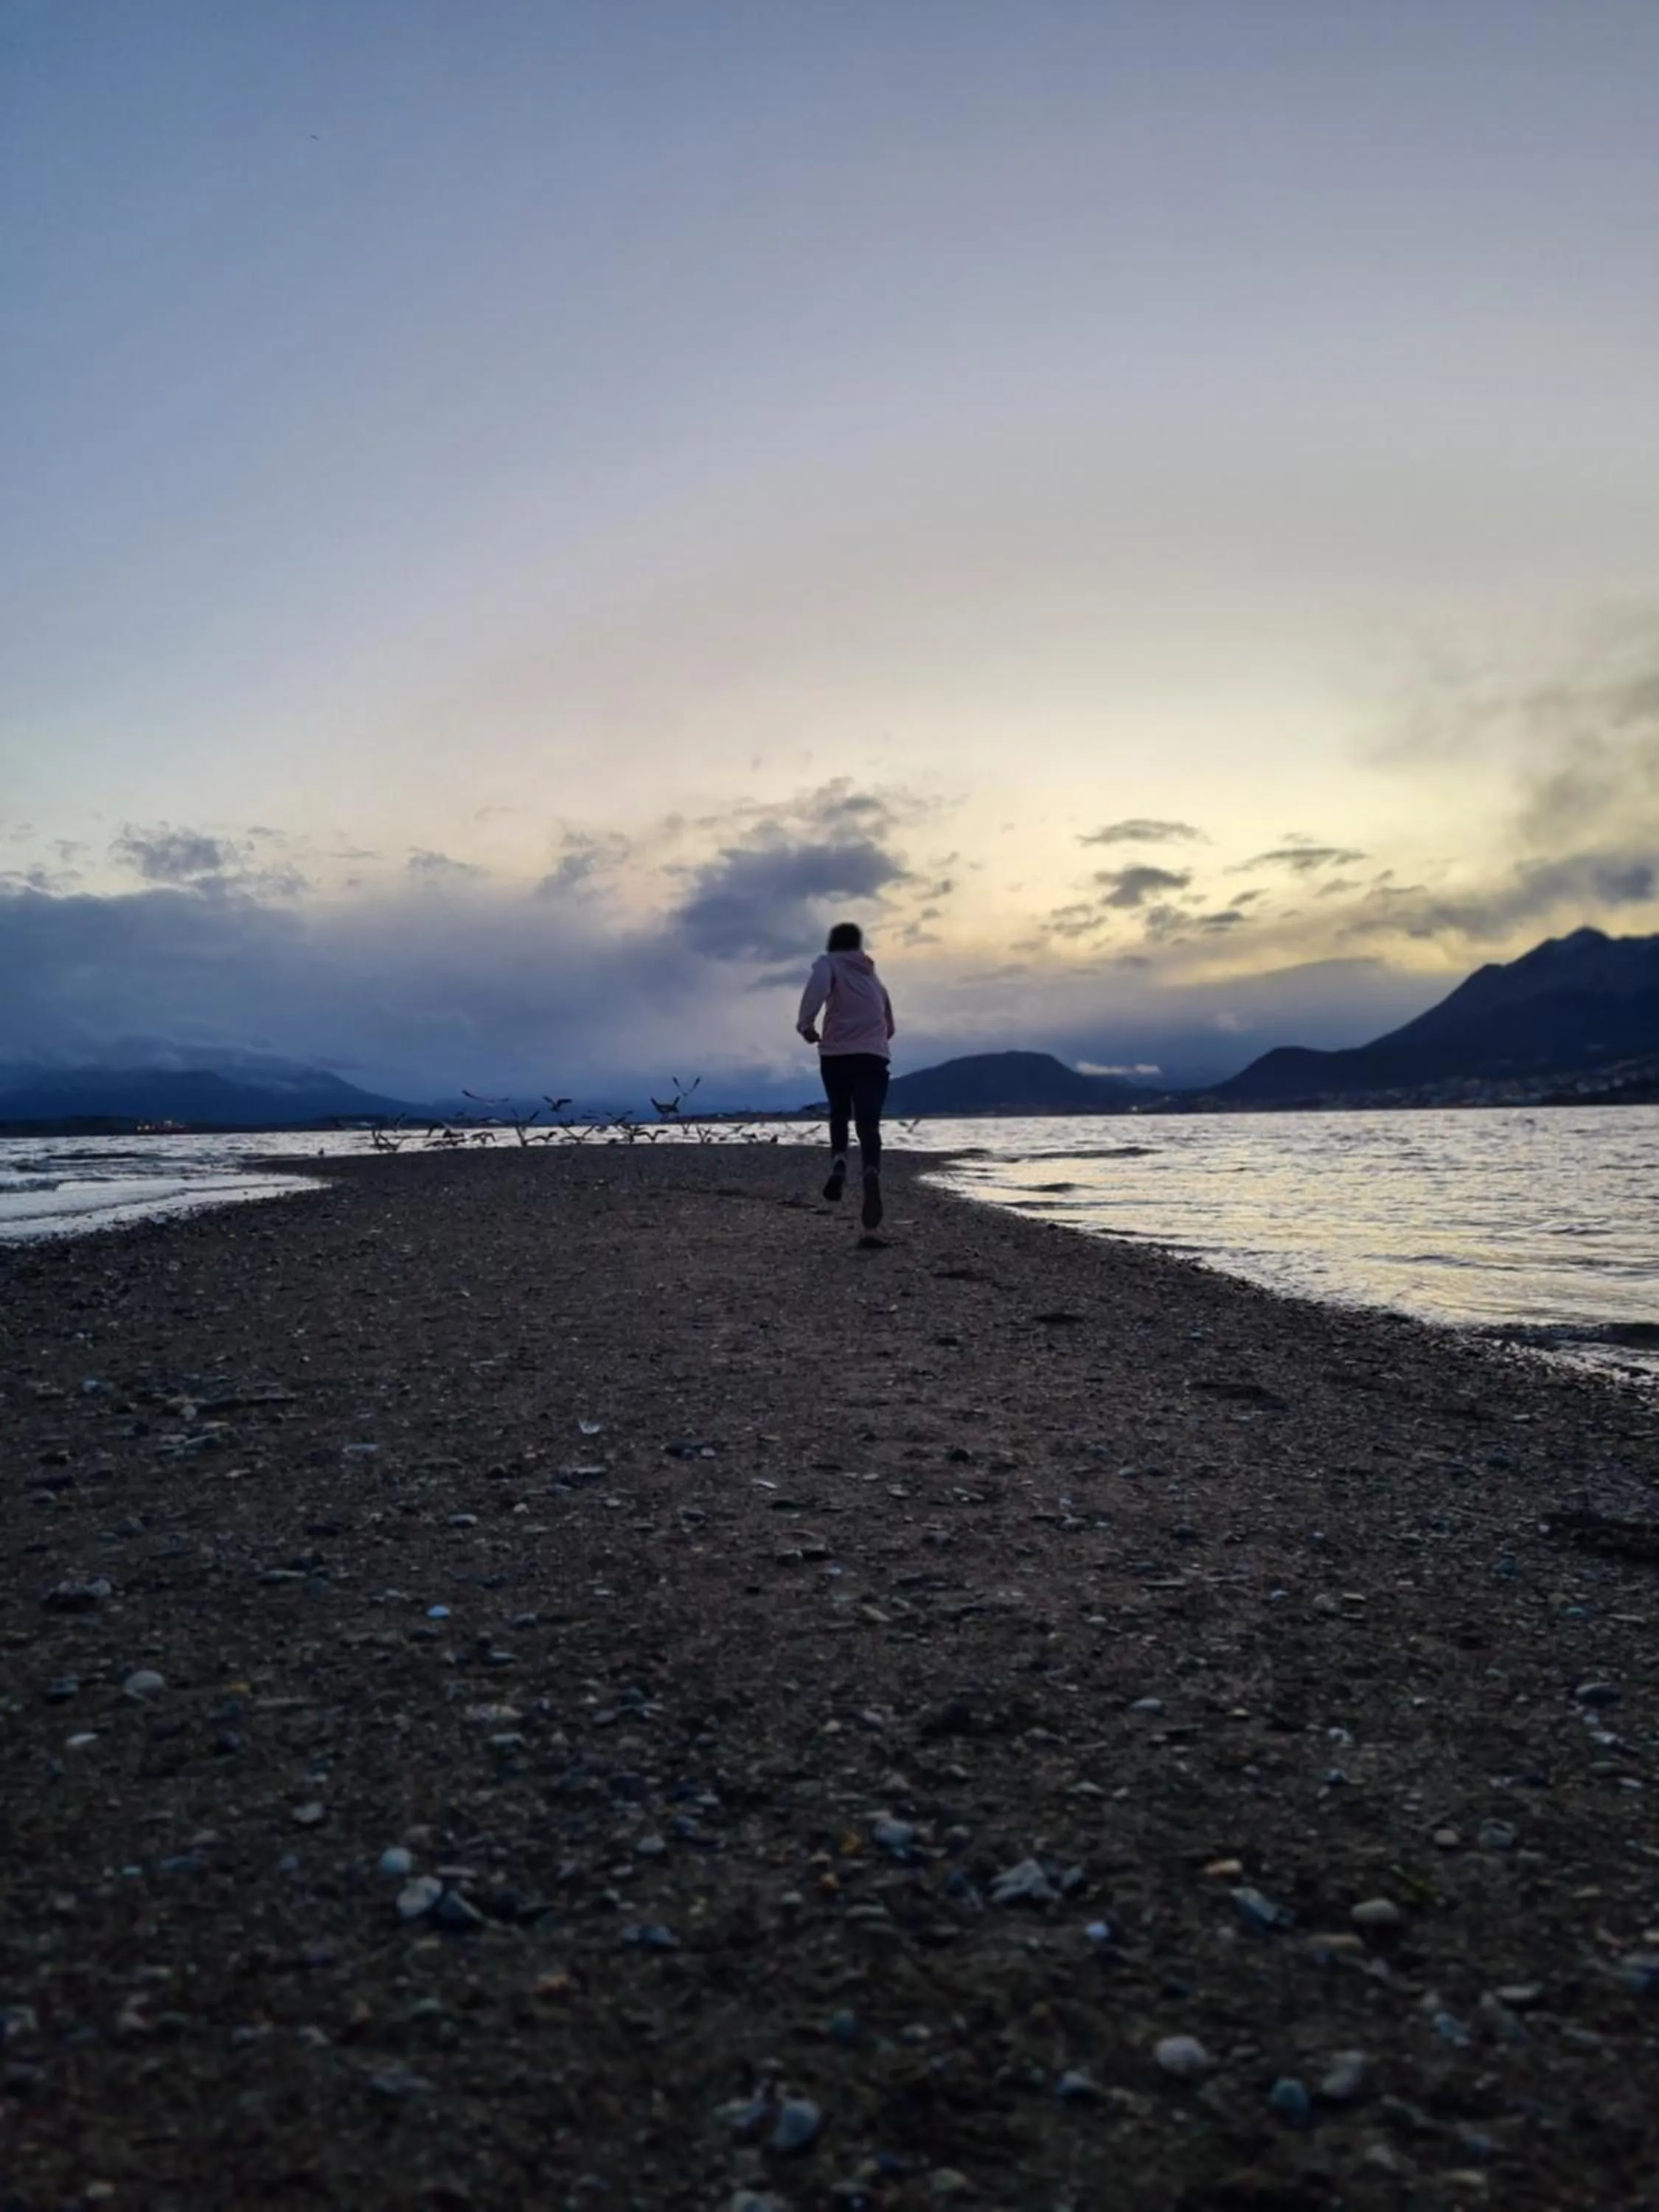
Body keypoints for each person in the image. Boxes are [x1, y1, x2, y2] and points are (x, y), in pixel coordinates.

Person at [796, 921, 895, 1228]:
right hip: (874, 1056)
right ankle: (871, 1173)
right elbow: (889, 1025)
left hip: (837, 1054)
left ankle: (839, 1163)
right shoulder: (874, 979)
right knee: (869, 1123)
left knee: (840, 1113)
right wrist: (871, 1040)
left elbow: (816, 992)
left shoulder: (828, 964)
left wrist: (806, 1026)